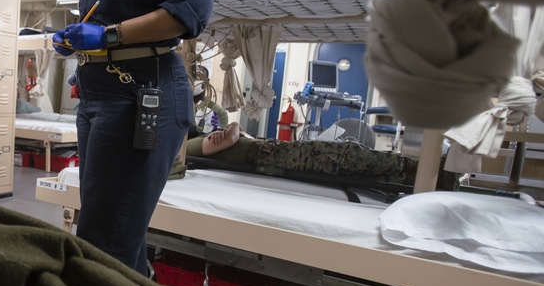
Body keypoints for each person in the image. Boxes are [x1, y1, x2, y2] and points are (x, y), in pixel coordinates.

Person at [52, 0, 213, 274]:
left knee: (104, 242)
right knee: (116, 230)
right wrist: (79, 43)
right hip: (99, 98)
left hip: (142, 93)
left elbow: (188, 12)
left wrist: (105, 35)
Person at [187, 122, 456, 189]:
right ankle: (424, 173)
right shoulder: (189, 148)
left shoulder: (197, 138)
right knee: (347, 157)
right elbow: (232, 134)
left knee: (347, 158)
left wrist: (232, 128)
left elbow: (232, 130)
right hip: (271, 157)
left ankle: (421, 173)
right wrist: (232, 129)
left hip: (274, 152)